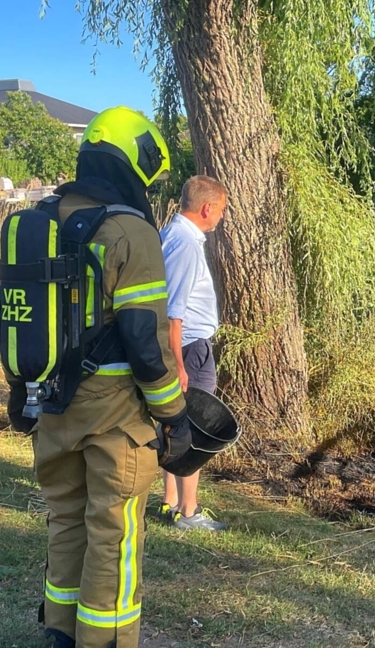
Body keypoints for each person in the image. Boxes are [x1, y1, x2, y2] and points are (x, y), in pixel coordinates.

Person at [0, 107, 192, 648]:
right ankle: (106, 641)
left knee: (65, 520)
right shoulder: (130, 231)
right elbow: (145, 343)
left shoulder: (38, 221)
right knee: (115, 533)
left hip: (52, 405)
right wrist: (174, 416)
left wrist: (19, 386)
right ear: (135, 162)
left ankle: (59, 633)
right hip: (115, 416)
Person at [157, 175, 229, 531]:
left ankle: (170, 501)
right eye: (221, 210)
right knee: (195, 426)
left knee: (174, 421)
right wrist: (178, 364)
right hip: (190, 347)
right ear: (207, 208)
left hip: (185, 346)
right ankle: (188, 511)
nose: (222, 217)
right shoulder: (185, 242)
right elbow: (174, 311)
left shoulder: (172, 234)